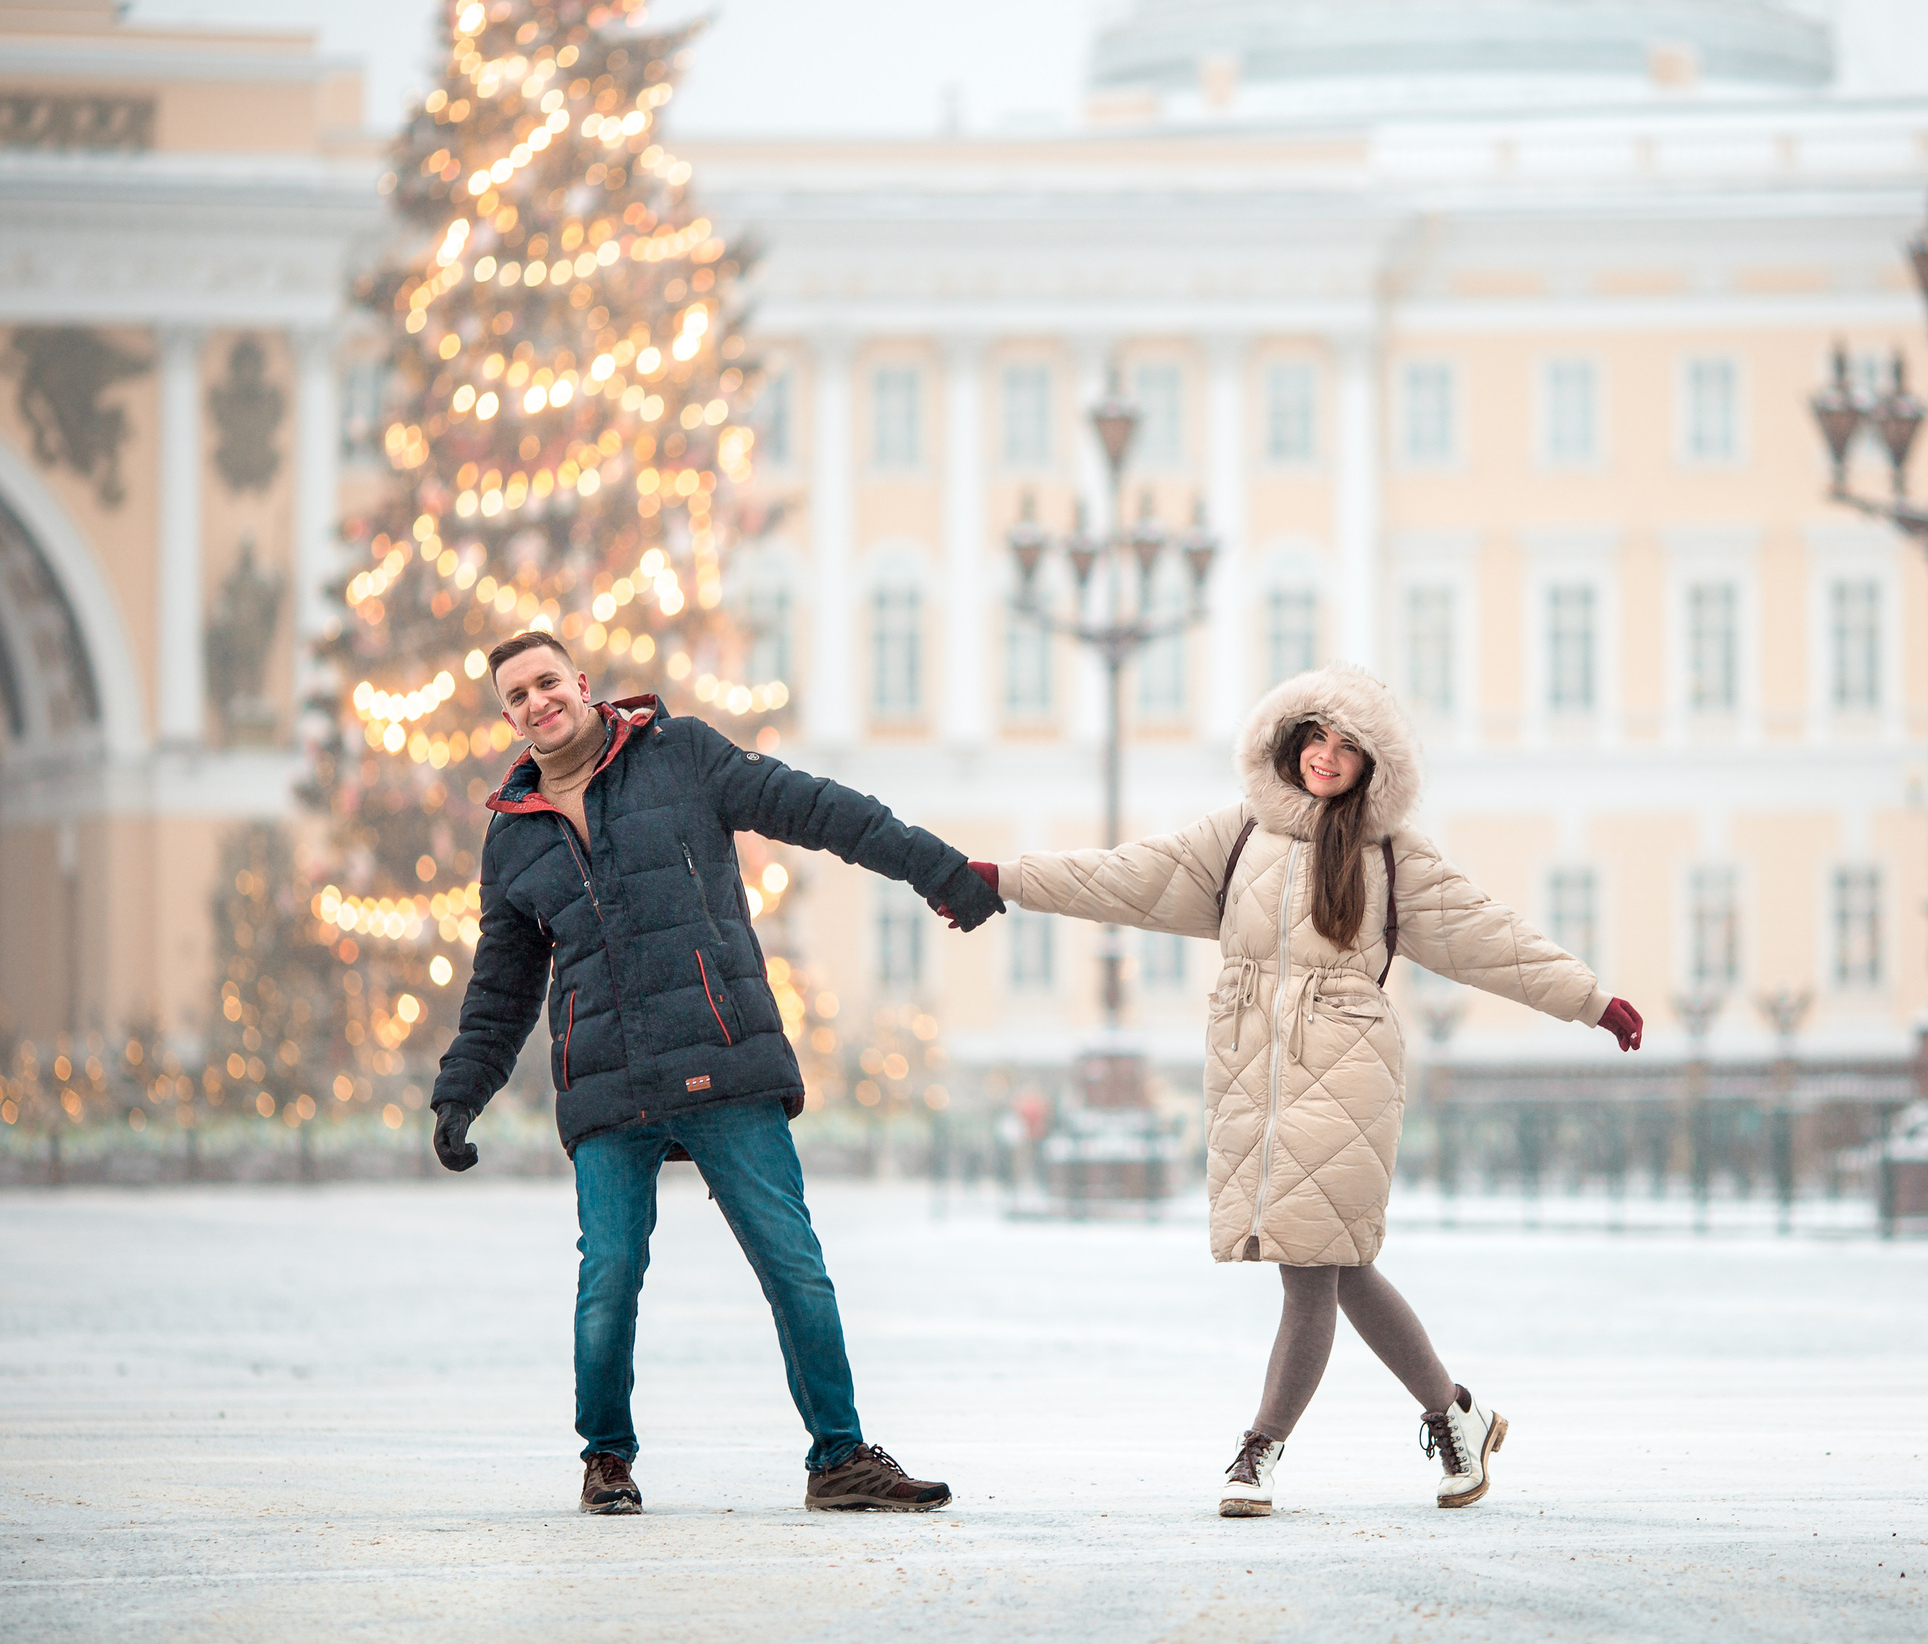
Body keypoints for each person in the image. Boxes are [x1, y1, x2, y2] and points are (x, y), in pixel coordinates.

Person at [970, 663, 1642, 1518]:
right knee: (1341, 1264)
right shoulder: (1239, 836)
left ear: (1374, 765)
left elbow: (1489, 936)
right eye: (1315, 738)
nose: (1326, 757)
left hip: (1348, 1069)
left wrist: (1590, 1000)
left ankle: (1259, 1450)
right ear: (1288, 742)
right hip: (1258, 1069)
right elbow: (1126, 875)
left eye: (1347, 747)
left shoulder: (1392, 858)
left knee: (1311, 1270)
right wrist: (1005, 879)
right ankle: (1456, 1415)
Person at [430, 629, 1004, 1517]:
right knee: (607, 1280)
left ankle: (841, 1457)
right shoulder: (512, 837)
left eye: (547, 682)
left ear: (579, 685)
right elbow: (502, 986)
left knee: (794, 1265)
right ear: (507, 715)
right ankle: (606, 1460)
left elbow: (822, 810)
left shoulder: (681, 755)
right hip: (608, 1086)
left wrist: (939, 868)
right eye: (516, 696)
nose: (536, 702)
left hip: (721, 1059)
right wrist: (461, 1090)